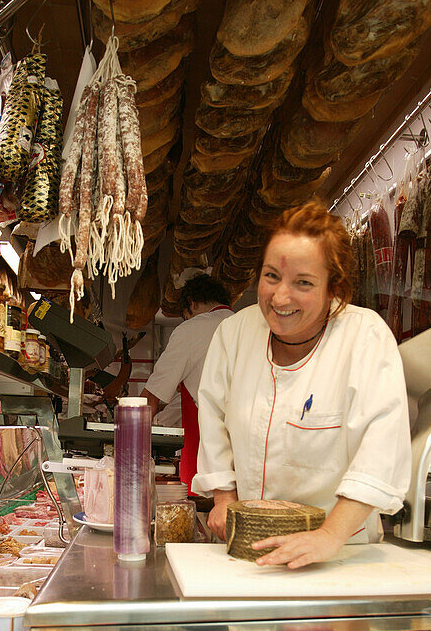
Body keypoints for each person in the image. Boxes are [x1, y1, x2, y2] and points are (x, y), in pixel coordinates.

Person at [192, 201, 411, 569]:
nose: (280, 298)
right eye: (271, 276)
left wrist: (329, 537)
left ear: (334, 288)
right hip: (248, 551)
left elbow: (381, 450)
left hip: (341, 555)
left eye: (303, 283)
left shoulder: (365, 337)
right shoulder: (234, 333)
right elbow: (213, 417)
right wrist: (224, 497)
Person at [140, 273, 232, 489]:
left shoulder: (192, 329)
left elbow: (152, 395)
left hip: (211, 448)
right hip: (251, 447)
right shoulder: (247, 325)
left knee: (206, 507)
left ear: (191, 302)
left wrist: (133, 446)